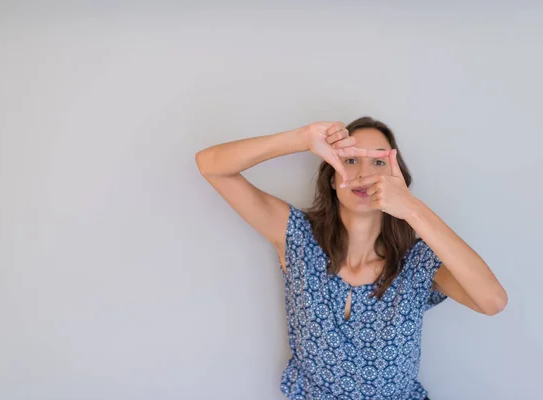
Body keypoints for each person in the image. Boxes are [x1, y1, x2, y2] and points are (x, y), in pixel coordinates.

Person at [194, 116, 507, 400]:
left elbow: (492, 301)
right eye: (351, 159)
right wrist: (301, 139)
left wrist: (412, 208)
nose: (364, 174)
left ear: (398, 179)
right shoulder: (298, 238)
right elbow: (211, 165)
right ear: (332, 177)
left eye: (379, 163)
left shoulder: (418, 261)